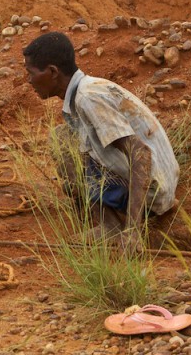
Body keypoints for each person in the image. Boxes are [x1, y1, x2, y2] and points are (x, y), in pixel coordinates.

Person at [23, 31, 179, 252]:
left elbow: (140, 154)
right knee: (65, 135)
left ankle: (112, 226)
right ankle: (110, 219)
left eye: (31, 73)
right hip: (158, 185)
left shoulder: (88, 98)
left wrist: (132, 231)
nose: (29, 80)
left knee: (63, 144)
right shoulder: (87, 88)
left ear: (52, 72)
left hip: (152, 193)